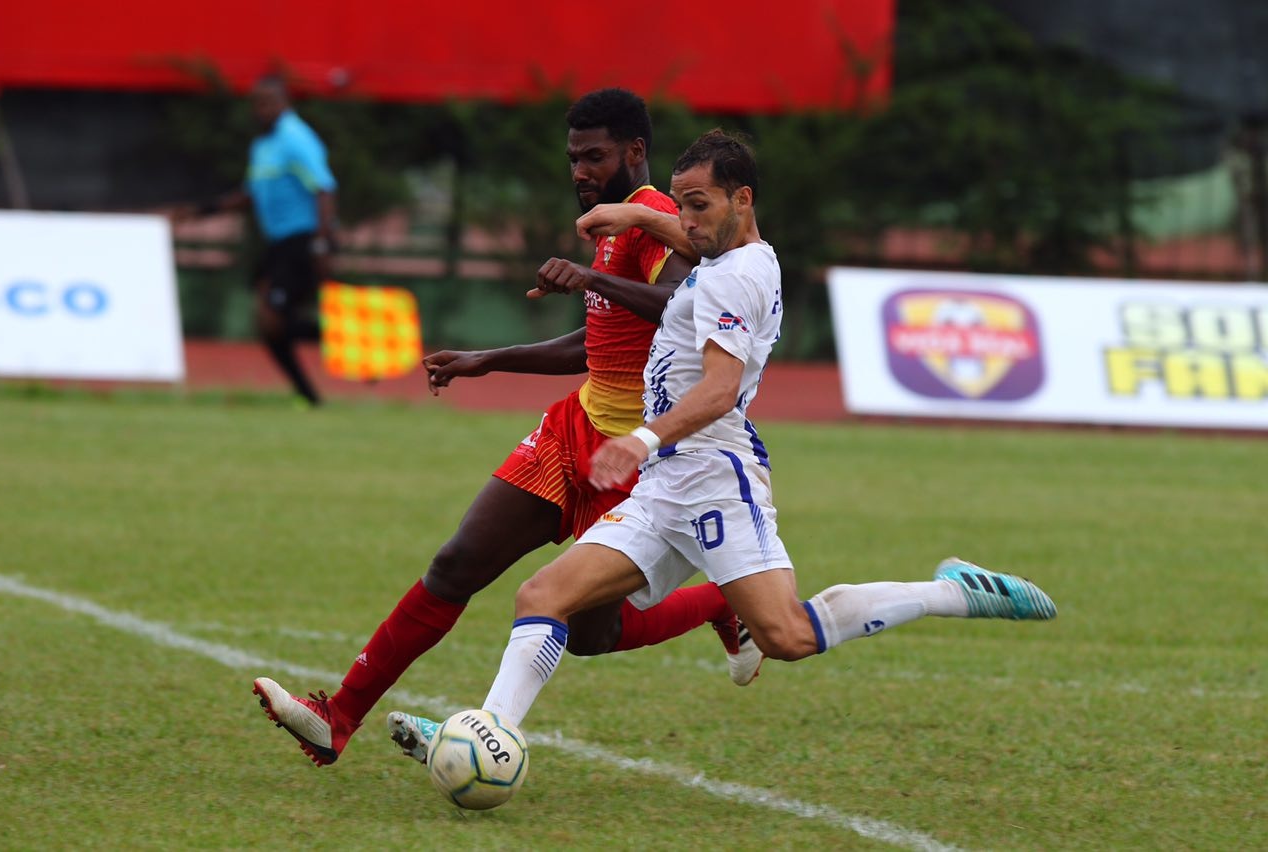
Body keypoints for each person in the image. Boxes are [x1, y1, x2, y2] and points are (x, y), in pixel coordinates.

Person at [388, 129, 1058, 761]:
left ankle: (951, 591)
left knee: (787, 636)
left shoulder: (738, 277)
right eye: (681, 206)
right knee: (543, 596)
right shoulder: (725, 253)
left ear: (744, 200)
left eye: (699, 206)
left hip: (716, 478)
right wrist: (635, 216)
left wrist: (641, 439)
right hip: (665, 486)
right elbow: (685, 235)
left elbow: (718, 390)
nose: (688, 222)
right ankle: (488, 737)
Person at [252, 89, 760, 768]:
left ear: (635, 153)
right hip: (573, 430)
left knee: (589, 633)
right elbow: (597, 344)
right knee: (457, 563)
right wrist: (485, 361)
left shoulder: (660, 218)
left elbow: (682, 306)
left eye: (595, 157)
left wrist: (588, 277)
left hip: (633, 461)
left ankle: (715, 608)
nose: (580, 170)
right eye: (574, 157)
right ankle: (336, 716)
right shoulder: (610, 228)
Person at [190, 75, 338, 406]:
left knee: (272, 318)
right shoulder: (263, 146)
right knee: (267, 324)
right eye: (257, 103)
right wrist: (205, 210)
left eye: (269, 102)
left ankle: (344, 345)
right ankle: (310, 395)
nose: (262, 109)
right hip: (279, 242)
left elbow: (324, 188)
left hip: (304, 238)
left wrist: (322, 243)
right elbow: (251, 193)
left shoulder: (296, 138)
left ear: (285, 102)